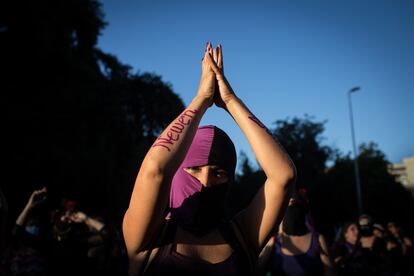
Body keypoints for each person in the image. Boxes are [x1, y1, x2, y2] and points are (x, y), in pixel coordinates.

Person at [122, 42, 296, 276]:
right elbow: (154, 170)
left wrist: (230, 101)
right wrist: (202, 99)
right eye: (194, 169)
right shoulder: (148, 234)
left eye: (218, 172)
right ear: (177, 169)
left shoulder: (243, 235)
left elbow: (284, 175)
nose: (205, 181)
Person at [257, 192, 334, 276]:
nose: (290, 210)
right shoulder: (273, 242)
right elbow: (258, 269)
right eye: (286, 205)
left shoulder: (317, 239)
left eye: (294, 204)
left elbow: (330, 272)